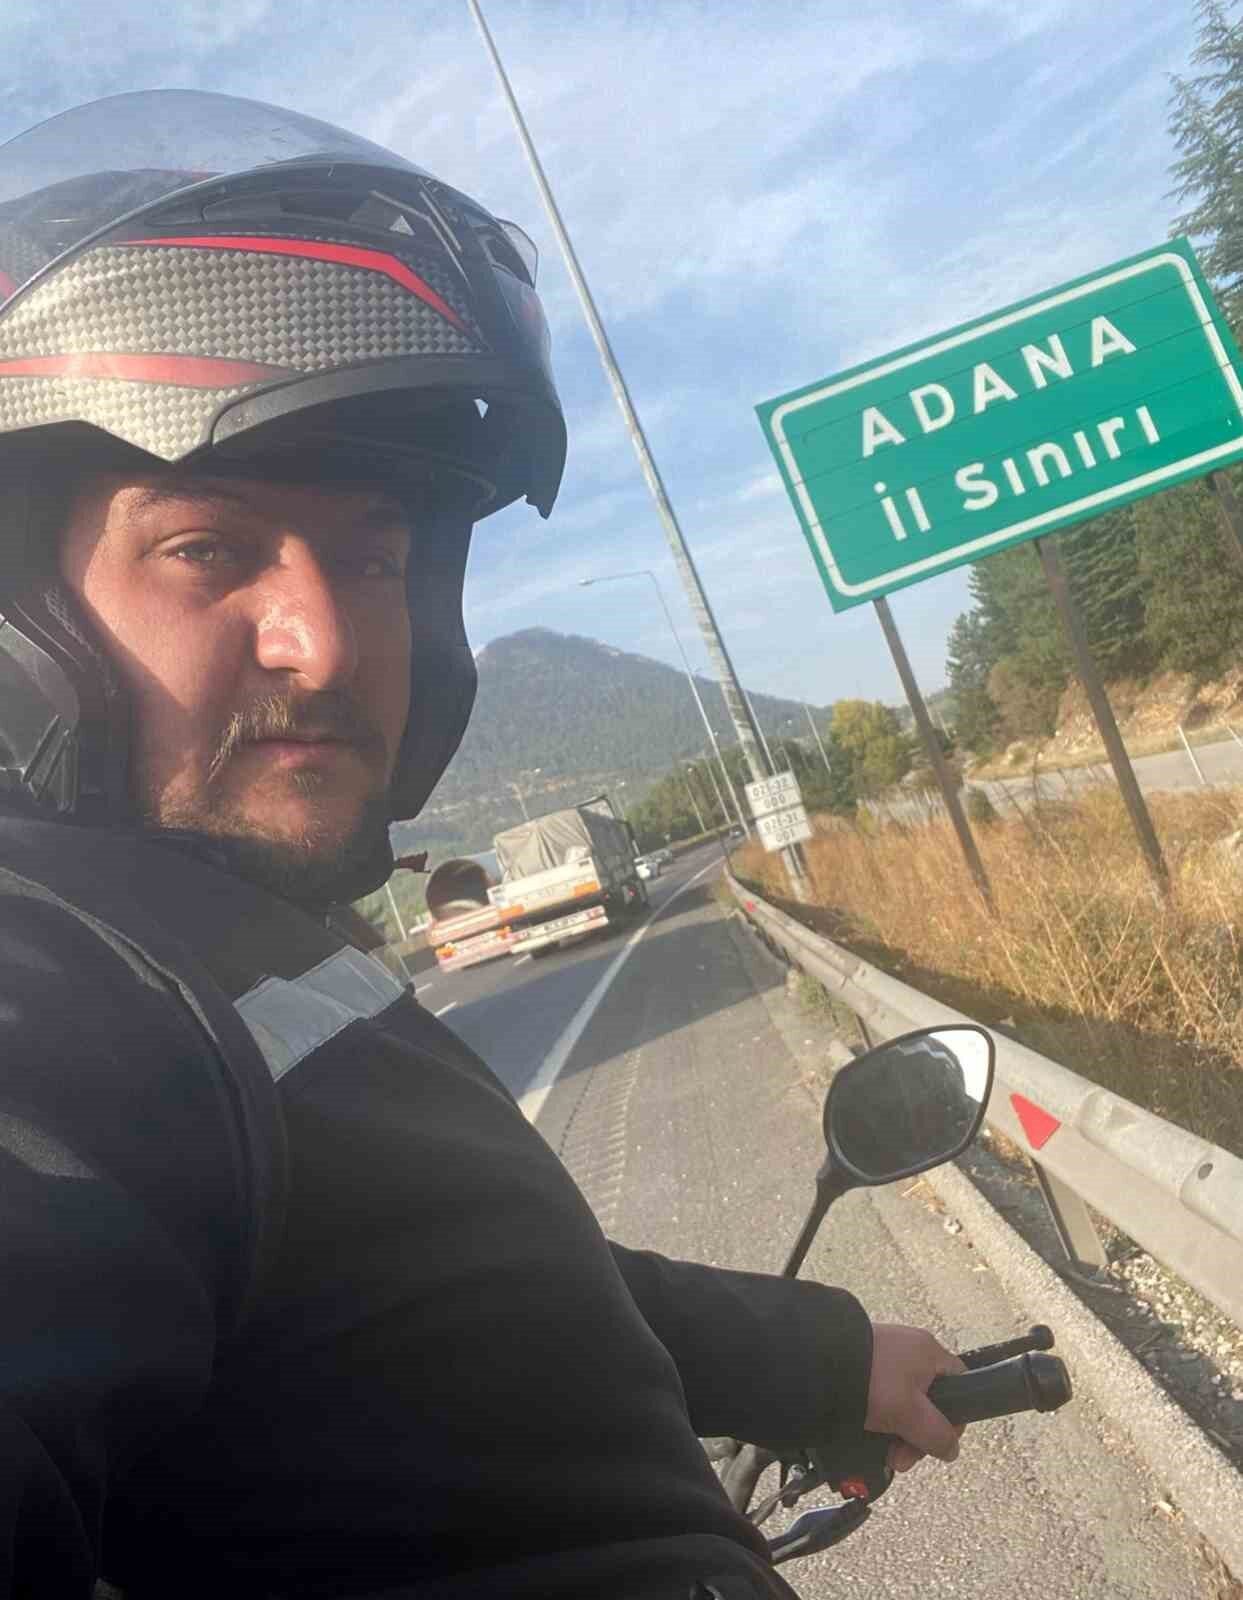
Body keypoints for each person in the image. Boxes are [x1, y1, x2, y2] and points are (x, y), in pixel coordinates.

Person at [0, 90, 964, 1600]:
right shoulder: (54, 973)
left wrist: (820, 1354)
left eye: (374, 558)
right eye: (207, 548)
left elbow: (459, 1281)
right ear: (27, 614)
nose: (324, 641)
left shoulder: (243, 939)